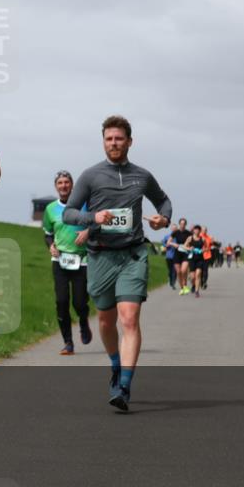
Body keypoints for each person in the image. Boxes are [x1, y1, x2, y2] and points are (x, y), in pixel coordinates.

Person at [62, 115, 172, 413]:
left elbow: (163, 202)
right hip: (100, 256)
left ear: (129, 142)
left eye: (119, 138)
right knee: (107, 322)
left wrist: (164, 218)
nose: (114, 143)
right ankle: (115, 364)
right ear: (103, 142)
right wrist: (92, 217)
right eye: (109, 139)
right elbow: (68, 214)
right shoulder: (90, 176)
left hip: (133, 254)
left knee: (129, 318)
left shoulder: (142, 176)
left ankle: (124, 385)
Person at [43, 170, 92, 354]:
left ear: (72, 185)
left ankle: (84, 321)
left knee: (79, 303)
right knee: (61, 302)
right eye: (60, 183)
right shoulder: (50, 209)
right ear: (56, 186)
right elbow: (48, 234)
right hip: (60, 260)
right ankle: (68, 342)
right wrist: (51, 246)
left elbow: (95, 225)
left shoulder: (85, 205)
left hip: (82, 260)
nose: (63, 185)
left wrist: (87, 233)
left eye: (67, 182)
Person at [170, 218, 192, 295]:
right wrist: (174, 244)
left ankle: (185, 285)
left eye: (184, 224)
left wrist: (190, 247)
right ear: (179, 224)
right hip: (177, 253)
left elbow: (192, 242)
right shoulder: (175, 232)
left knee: (183, 270)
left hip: (185, 253)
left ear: (185, 224)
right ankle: (182, 288)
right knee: (178, 272)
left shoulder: (188, 233)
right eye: (181, 224)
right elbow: (169, 242)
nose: (182, 225)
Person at [187, 225, 208, 298]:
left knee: (198, 274)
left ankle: (197, 291)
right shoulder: (190, 238)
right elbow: (184, 246)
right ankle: (193, 285)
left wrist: (203, 250)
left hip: (200, 258)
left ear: (200, 231)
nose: (197, 231)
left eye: (198, 230)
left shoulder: (203, 239)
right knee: (192, 277)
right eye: (196, 230)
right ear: (193, 231)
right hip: (192, 258)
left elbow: (207, 248)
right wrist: (190, 248)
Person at [162, 224, 178, 289]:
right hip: (169, 256)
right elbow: (163, 243)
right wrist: (166, 245)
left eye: (175, 228)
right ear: (171, 229)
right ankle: (171, 280)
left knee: (175, 270)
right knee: (170, 270)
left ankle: (173, 283)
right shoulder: (167, 236)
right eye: (173, 228)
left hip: (176, 256)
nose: (174, 229)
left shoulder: (178, 236)